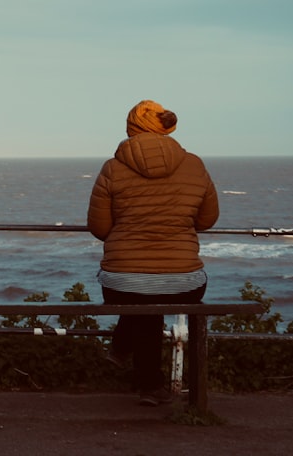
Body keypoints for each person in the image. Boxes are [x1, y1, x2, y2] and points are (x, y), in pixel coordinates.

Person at [87, 100, 219, 406]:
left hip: (122, 282)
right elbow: (207, 220)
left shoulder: (113, 168)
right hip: (184, 281)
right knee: (154, 296)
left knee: (140, 297)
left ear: (131, 128)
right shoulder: (195, 165)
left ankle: (131, 360)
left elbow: (99, 227)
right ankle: (144, 379)